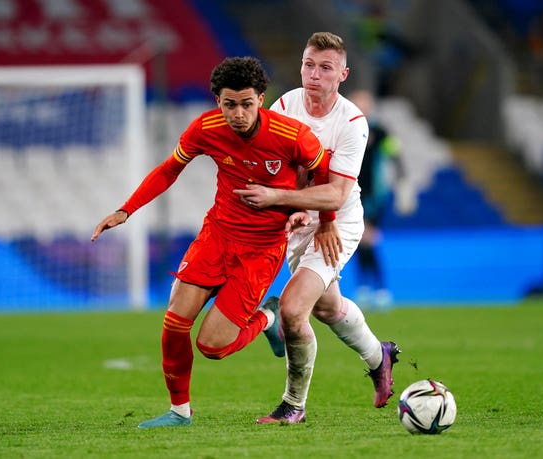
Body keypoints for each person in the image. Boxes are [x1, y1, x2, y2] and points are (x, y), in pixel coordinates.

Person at [91, 56, 339, 427]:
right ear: (217, 102)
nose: (238, 114)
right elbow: (169, 169)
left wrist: (320, 220)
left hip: (261, 248)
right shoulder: (205, 128)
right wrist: (126, 210)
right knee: (174, 322)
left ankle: (269, 317)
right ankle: (179, 412)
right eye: (229, 105)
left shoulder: (292, 136)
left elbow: (324, 174)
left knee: (212, 346)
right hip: (217, 236)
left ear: (261, 98)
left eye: (246, 104)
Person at [233, 32, 401, 425]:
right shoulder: (286, 105)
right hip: (301, 217)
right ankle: (380, 356)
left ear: (342, 74)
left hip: (338, 221)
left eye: (325, 68)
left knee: (293, 309)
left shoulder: (352, 123)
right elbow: (277, 170)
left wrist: (310, 214)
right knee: (326, 307)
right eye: (309, 64)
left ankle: (294, 405)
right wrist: (290, 205)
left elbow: (338, 193)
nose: (314, 74)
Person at [347, 89, 414, 308]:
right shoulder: (346, 129)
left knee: (367, 238)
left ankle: (378, 288)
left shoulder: (380, 131)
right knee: (358, 241)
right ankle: (369, 288)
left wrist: (403, 184)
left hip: (374, 194)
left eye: (364, 102)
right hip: (350, 193)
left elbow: (396, 156)